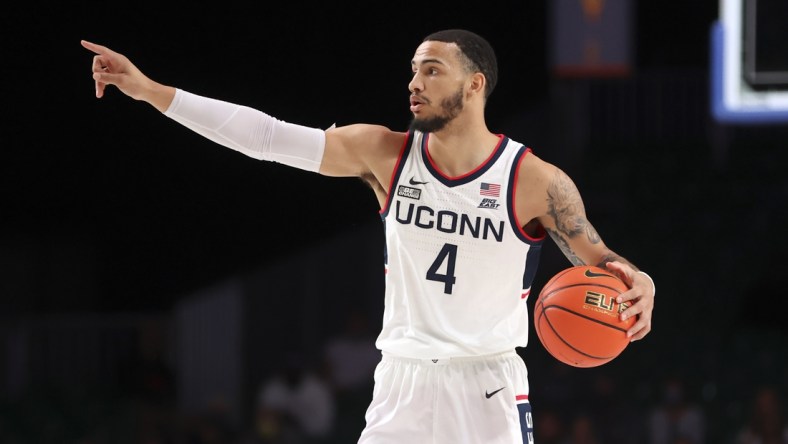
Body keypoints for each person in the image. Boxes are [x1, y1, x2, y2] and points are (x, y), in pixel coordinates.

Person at [81, 29, 656, 444]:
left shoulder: (535, 180)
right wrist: (152, 91)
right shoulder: (385, 154)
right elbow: (265, 137)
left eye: (432, 69)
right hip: (400, 381)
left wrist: (641, 281)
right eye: (413, 69)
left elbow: (602, 261)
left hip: (486, 385)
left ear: (475, 84)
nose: (414, 82)